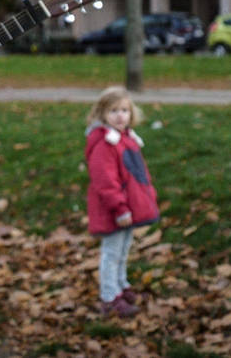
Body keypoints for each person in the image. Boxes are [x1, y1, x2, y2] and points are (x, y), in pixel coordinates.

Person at [84, 86, 160, 318]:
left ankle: (121, 285)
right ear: (102, 114)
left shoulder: (127, 139)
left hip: (128, 208)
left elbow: (138, 175)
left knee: (123, 250)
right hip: (114, 210)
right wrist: (119, 208)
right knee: (112, 252)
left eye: (124, 110)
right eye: (113, 111)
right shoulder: (105, 144)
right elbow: (105, 182)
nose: (120, 116)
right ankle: (109, 297)